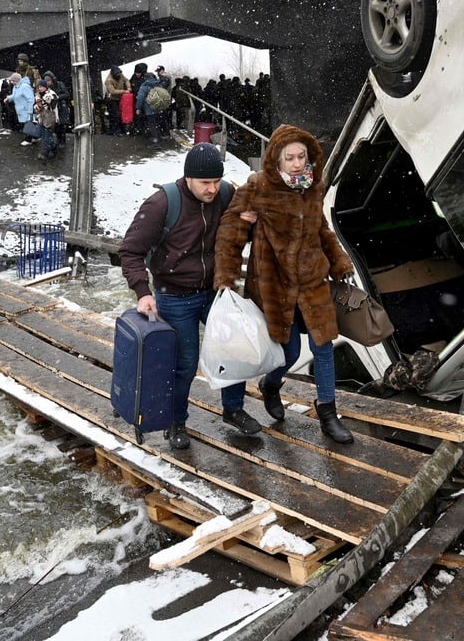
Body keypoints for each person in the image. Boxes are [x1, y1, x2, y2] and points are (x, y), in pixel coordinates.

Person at [214, 124, 356, 444]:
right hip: (274, 287)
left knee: (323, 347)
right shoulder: (257, 188)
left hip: (311, 283)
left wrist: (339, 260)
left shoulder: (312, 187)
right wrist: (226, 277)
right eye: (289, 157)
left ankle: (328, 413)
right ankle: (271, 384)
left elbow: (321, 230)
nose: (296, 163)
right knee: (288, 352)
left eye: (301, 157)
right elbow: (230, 234)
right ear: (277, 160)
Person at [118, 143, 263, 449]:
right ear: (188, 178)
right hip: (175, 295)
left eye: (216, 181)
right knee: (184, 363)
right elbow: (130, 251)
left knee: (234, 349)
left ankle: (233, 409)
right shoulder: (162, 203)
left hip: (215, 291)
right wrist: (143, 292)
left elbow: (234, 234)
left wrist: (249, 224)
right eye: (205, 183)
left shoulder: (225, 194)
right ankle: (176, 421)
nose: (212, 189)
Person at [9, 72, 38, 146]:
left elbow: (30, 99)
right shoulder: (16, 87)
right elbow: (15, 95)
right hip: (21, 109)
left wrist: (30, 110)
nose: (12, 82)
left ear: (17, 80)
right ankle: (34, 137)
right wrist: (8, 98)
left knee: (27, 124)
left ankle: (28, 139)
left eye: (13, 81)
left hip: (25, 109)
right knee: (26, 124)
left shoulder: (25, 87)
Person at [33, 80, 59, 162]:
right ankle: (54, 147)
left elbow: (52, 106)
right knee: (44, 135)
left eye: (41, 87)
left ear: (45, 87)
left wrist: (44, 103)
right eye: (39, 87)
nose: (39, 88)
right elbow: (36, 106)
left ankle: (44, 153)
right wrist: (37, 108)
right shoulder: (37, 95)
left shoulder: (52, 94)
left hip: (50, 118)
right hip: (41, 117)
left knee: (47, 136)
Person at [103, 66, 132, 136]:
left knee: (122, 114)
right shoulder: (108, 80)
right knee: (115, 115)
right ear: (113, 75)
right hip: (112, 99)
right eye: (117, 75)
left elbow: (126, 80)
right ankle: (116, 131)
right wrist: (125, 91)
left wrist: (128, 87)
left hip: (121, 98)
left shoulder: (120, 75)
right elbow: (112, 91)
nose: (119, 76)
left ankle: (122, 130)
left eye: (119, 74)